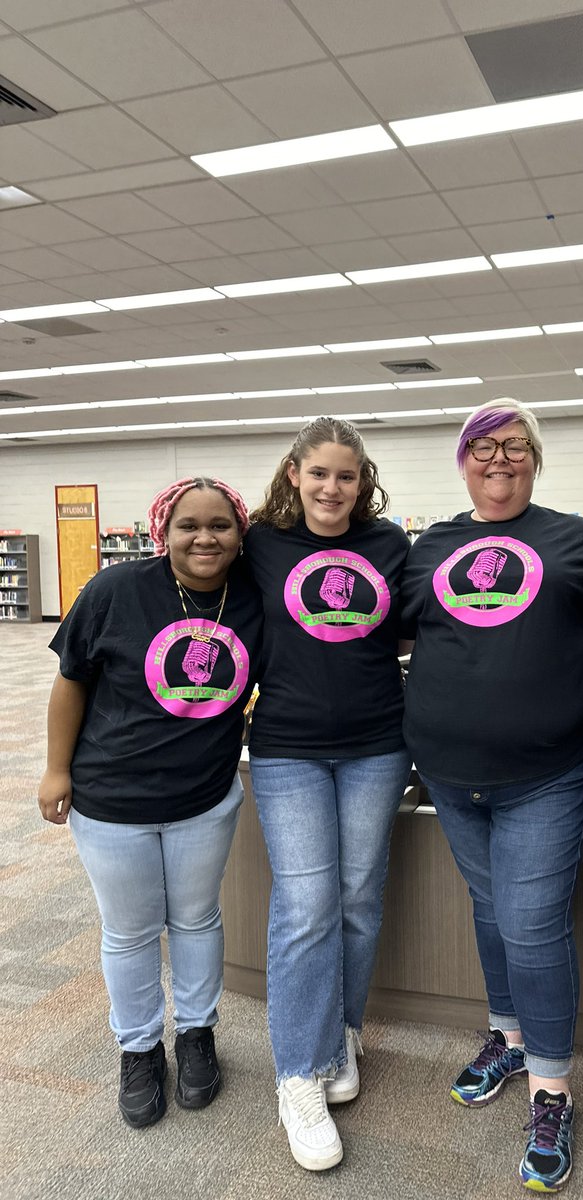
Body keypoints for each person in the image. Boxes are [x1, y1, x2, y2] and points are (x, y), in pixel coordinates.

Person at [400, 398, 583, 1194]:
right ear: (462, 462)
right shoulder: (434, 546)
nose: (498, 461)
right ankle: (509, 1036)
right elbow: (390, 628)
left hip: (546, 772)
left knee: (529, 922)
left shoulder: (575, 541)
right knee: (491, 910)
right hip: (449, 772)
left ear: (535, 460)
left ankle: (551, 1088)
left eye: (515, 448)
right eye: (482, 449)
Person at [38, 476, 262, 1130]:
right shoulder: (115, 591)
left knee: (196, 920)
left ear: (239, 533)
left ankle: (196, 1035)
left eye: (219, 524)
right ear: (162, 529)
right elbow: (71, 681)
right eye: (188, 524)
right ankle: (138, 1047)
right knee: (132, 930)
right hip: (111, 799)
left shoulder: (250, 595)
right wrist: (56, 770)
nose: (204, 537)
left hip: (203, 796)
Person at [243, 417, 411, 1173]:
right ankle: (296, 1078)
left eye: (346, 476)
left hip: (378, 742)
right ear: (293, 475)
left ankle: (342, 1030)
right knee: (306, 903)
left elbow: (417, 631)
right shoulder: (259, 545)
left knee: (356, 895)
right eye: (319, 475)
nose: (331, 489)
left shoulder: (388, 546)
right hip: (287, 748)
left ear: (362, 480)